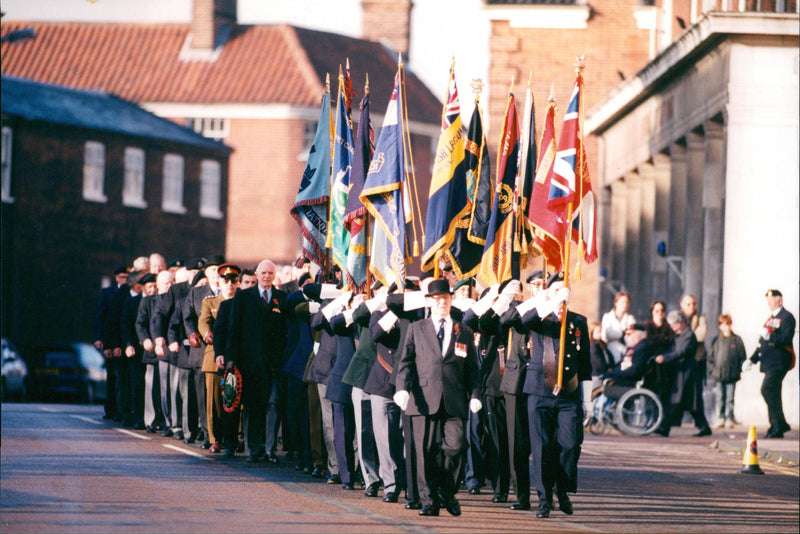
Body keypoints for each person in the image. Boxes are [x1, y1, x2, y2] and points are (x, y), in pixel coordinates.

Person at [395, 279, 482, 517]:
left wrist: (475, 394)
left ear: (451, 300)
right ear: (429, 302)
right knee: (425, 453)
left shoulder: (463, 330)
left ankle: (447, 491)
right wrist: (402, 388)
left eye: (446, 297)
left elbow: (473, 369)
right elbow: (406, 362)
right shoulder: (417, 328)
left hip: (454, 400)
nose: (442, 302)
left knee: (456, 446)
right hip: (423, 398)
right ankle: (429, 500)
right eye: (437, 299)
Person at [515, 272, 592, 518]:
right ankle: (544, 499)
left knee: (570, 444)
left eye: (564, 289)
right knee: (542, 447)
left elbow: (586, 363)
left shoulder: (578, 321)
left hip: (568, 394)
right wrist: (549, 300)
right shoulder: (539, 316)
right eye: (555, 289)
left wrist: (587, 399)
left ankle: (563, 487)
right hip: (539, 390)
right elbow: (524, 321)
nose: (561, 293)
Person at [226, 259, 288, 463]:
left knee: (272, 405)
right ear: (257, 274)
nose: (267, 277)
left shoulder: (281, 297)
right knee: (252, 407)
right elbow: (234, 330)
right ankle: (253, 449)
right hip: (249, 363)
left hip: (274, 364)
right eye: (263, 273)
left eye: (270, 273)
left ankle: (269, 449)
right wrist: (231, 360)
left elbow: (285, 332)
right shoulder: (243, 297)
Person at [198, 263, 241, 453]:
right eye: (226, 281)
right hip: (214, 355)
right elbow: (203, 322)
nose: (230, 285)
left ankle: (236, 438)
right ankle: (216, 438)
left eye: (234, 281)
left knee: (236, 399)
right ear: (219, 282)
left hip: (237, 357)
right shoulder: (211, 302)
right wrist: (207, 333)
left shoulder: (242, 302)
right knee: (214, 401)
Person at [743, 289, 795, 438]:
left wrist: (770, 337)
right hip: (770, 361)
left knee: (767, 389)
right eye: (768, 301)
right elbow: (763, 343)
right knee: (773, 393)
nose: (769, 303)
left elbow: (786, 338)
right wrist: (752, 359)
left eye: (772, 300)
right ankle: (778, 425)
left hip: (779, 361)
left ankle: (778, 424)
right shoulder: (770, 318)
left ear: (780, 300)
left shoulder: (786, 317)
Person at [653, 311, 711, 437]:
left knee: (678, 400)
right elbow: (674, 350)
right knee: (689, 401)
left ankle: (665, 427)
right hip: (682, 371)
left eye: (675, 324)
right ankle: (703, 426)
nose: (673, 327)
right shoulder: (679, 335)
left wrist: (665, 358)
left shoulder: (689, 335)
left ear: (682, 323)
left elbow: (681, 352)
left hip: (688, 372)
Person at [707, 314, 747, 429]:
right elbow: (710, 358)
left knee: (730, 397)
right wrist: (712, 371)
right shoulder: (716, 340)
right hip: (719, 374)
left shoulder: (737, 340)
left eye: (728, 324)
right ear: (720, 326)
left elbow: (742, 357)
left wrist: (738, 370)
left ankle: (729, 417)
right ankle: (720, 417)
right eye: (723, 325)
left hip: (732, 374)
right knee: (720, 396)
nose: (726, 327)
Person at [601, 291, 636, 364]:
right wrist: (623, 333)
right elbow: (607, 334)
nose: (625, 305)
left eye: (627, 302)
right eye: (623, 302)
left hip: (627, 349)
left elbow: (633, 335)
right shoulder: (607, 317)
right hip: (610, 349)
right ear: (616, 303)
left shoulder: (630, 318)